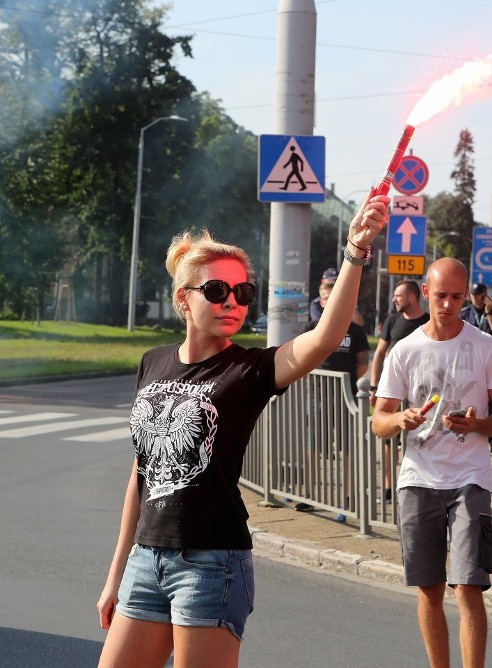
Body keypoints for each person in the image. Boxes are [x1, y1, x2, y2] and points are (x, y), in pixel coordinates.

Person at [96, 195, 389, 667]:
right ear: (183, 298)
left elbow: (325, 338)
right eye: (216, 291)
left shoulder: (249, 369)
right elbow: (141, 474)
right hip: (146, 561)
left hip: (212, 565)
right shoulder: (153, 362)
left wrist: (355, 250)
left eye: (243, 292)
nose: (232, 302)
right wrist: (116, 576)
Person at [372, 258, 492, 668]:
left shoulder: (484, 345)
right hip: (418, 479)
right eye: (441, 296)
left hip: (470, 478)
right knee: (429, 589)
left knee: (469, 587)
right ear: (425, 291)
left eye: (457, 296)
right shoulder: (406, 349)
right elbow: (378, 421)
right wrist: (399, 418)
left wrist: (481, 424)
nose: (449, 305)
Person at [298, 281, 370, 520]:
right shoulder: (311, 327)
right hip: (317, 398)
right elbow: (301, 358)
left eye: (337, 297)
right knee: (313, 445)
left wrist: (348, 385)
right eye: (328, 298)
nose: (333, 302)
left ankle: (348, 496)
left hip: (346, 398)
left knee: (347, 447)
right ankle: (308, 494)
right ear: (321, 302)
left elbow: (363, 365)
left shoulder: (356, 331)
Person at [369, 279, 429, 500]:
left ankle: (416, 484)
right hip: (393, 390)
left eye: (399, 296)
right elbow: (379, 353)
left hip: (420, 392)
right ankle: (388, 487)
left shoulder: (427, 321)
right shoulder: (392, 320)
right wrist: (375, 386)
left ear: (412, 297)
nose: (394, 299)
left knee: (418, 437)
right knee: (389, 440)